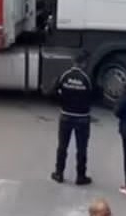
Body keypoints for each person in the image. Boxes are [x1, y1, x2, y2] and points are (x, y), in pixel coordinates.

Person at [51, 50, 94, 185]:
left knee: (62, 146)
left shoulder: (65, 75)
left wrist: (63, 102)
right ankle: (80, 176)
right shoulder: (87, 78)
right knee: (81, 148)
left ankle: (59, 173)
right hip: (82, 117)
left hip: (66, 116)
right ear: (84, 63)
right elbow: (94, 96)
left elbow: (53, 92)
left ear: (73, 61)